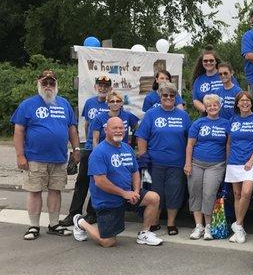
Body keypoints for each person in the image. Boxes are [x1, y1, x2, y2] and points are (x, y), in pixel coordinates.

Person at [72, 117, 163, 247]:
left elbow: (135, 172)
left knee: (154, 198)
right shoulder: (99, 152)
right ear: (106, 130)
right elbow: (100, 181)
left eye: (121, 128)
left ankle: (144, 233)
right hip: (107, 201)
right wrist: (124, 194)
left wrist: (136, 192)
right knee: (108, 242)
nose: (119, 131)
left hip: (127, 195)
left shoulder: (127, 148)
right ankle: (81, 222)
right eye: (114, 128)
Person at [11, 69, 80, 240]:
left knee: (55, 190)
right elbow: (19, 131)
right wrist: (20, 155)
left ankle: (54, 224)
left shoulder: (64, 104)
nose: (48, 86)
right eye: (45, 82)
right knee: (34, 191)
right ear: (39, 83)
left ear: (56, 85)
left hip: (59, 157)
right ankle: (34, 226)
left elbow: (72, 129)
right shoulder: (27, 104)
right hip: (35, 157)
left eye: (52, 82)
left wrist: (76, 149)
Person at [136, 82, 191, 235]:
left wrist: (188, 160)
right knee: (156, 193)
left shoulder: (183, 116)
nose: (168, 98)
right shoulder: (151, 114)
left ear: (176, 97)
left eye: (172, 95)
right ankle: (154, 222)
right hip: (155, 163)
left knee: (174, 193)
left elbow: (190, 139)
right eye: (165, 95)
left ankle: (171, 223)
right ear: (160, 96)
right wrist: (143, 155)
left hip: (177, 163)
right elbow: (141, 136)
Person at [59, 75, 111, 227]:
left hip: (106, 150)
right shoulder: (90, 103)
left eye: (106, 86)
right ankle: (73, 213)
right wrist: (88, 141)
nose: (103, 88)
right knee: (82, 181)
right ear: (96, 87)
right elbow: (87, 125)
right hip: (89, 149)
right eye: (100, 85)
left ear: (110, 88)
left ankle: (92, 213)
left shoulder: (113, 104)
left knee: (98, 182)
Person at [225, 91, 253, 243]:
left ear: (251, 103)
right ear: (237, 104)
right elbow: (229, 142)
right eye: (241, 101)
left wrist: (251, 160)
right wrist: (228, 160)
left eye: (247, 100)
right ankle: (240, 228)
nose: (244, 103)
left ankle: (237, 225)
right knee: (236, 195)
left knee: (246, 192)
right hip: (234, 161)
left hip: (251, 162)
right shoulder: (232, 120)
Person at [184, 94, 229, 240]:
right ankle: (199, 226)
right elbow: (190, 144)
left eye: (215, 105)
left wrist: (228, 164)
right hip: (196, 163)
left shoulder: (226, 123)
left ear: (219, 106)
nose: (212, 107)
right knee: (195, 193)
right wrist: (188, 163)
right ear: (205, 108)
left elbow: (228, 145)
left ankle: (208, 227)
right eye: (209, 105)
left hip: (216, 165)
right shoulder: (198, 123)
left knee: (209, 194)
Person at [191, 47, 222, 113]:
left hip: (226, 117)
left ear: (216, 61)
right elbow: (195, 100)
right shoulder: (198, 80)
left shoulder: (224, 76)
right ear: (202, 63)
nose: (208, 62)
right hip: (207, 118)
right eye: (205, 61)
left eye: (211, 60)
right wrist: (208, 111)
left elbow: (236, 94)